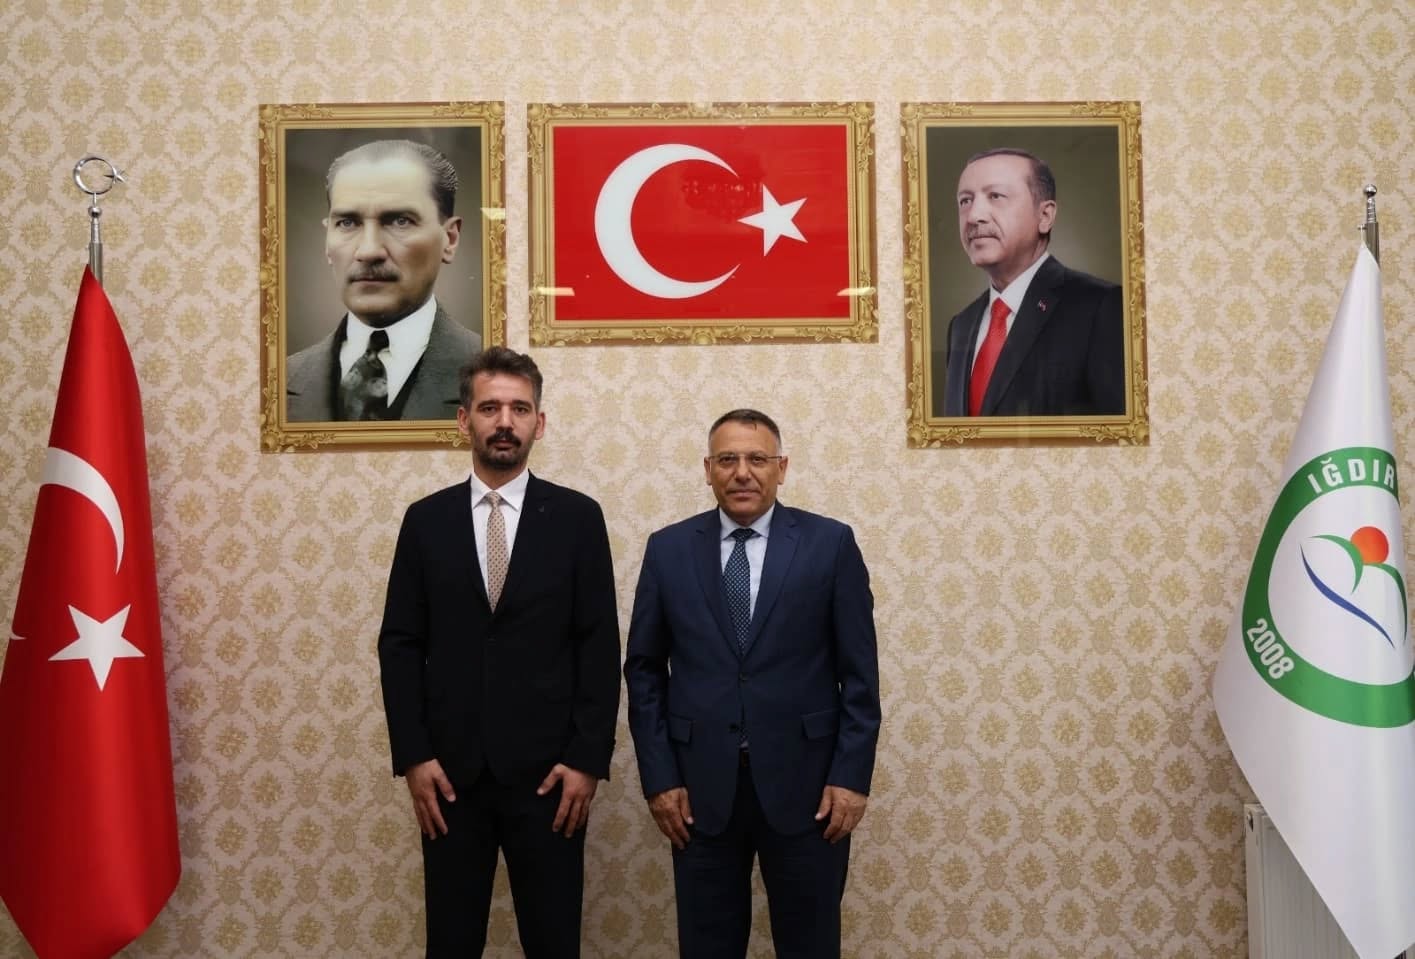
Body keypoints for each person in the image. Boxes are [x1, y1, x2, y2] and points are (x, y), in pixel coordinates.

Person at [377, 347, 620, 957]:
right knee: (451, 943)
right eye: (490, 408)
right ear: (464, 421)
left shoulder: (578, 519)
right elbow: (400, 645)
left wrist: (586, 760)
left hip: (551, 780)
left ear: (540, 422)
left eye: (519, 408)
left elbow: (598, 645)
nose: (505, 422)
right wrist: (414, 756)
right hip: (448, 779)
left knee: (554, 942)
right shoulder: (425, 521)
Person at [623, 409, 881, 959]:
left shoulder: (830, 544)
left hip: (811, 791)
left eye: (757, 459)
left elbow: (860, 675)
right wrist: (659, 779)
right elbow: (643, 672)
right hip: (698, 794)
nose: (742, 472)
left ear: (781, 468)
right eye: (728, 459)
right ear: (708, 470)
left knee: (810, 946)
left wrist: (851, 778)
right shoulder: (668, 549)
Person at [286, 138, 482, 422]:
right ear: (328, 242)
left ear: (449, 240)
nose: (368, 251)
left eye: (400, 221)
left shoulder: (494, 375)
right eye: (347, 223)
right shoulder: (276, 382)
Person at [933, 147, 1125, 418]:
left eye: (995, 196)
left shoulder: (1101, 307)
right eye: (965, 200)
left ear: (1044, 216)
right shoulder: (960, 326)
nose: (974, 216)